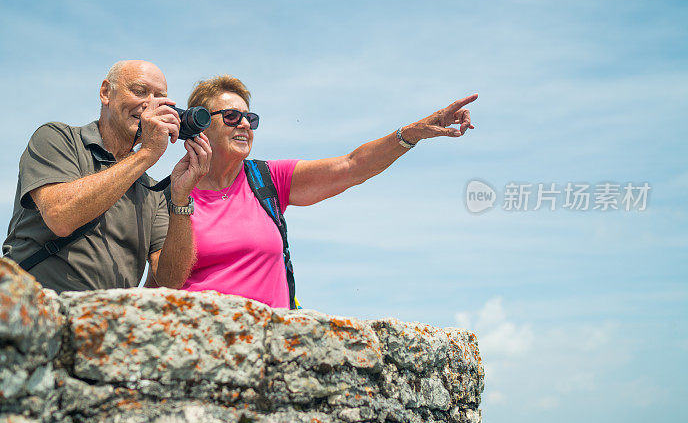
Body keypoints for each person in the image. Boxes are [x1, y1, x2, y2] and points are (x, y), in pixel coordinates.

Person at [170, 74, 476, 308]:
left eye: (250, 119)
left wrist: (413, 133)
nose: (245, 126)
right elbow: (164, 282)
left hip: (269, 357)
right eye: (231, 116)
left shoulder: (267, 179)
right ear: (199, 125)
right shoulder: (172, 195)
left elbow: (352, 166)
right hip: (202, 354)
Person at [3, 60, 212, 293]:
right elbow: (60, 217)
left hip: (104, 321)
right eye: (139, 91)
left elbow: (169, 280)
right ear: (106, 93)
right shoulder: (56, 138)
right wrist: (147, 154)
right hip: (36, 307)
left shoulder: (152, 191)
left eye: (159, 98)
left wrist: (181, 199)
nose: (149, 105)